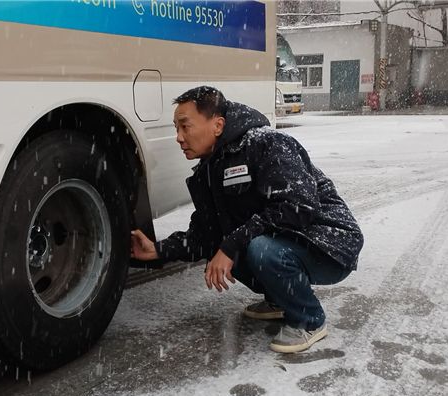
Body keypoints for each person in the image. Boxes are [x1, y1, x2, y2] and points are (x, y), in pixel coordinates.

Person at [131, 86, 363, 353]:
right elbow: (206, 235)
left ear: (217, 125)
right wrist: (157, 250)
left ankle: (309, 320)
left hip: (329, 244)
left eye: (185, 127)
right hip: (291, 242)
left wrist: (231, 246)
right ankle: (280, 300)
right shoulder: (209, 170)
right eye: (176, 129)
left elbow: (297, 207)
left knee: (256, 249)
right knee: (229, 246)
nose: (179, 138)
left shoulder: (267, 144)